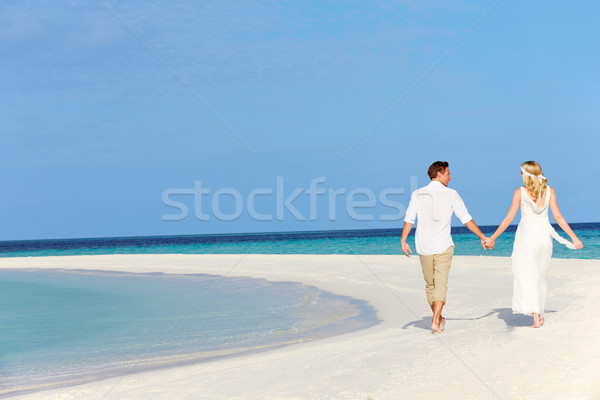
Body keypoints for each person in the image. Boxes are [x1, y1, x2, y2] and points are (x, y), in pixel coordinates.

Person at [483, 161, 583, 328]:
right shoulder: (550, 191)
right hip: (544, 237)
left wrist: (492, 238)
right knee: (539, 276)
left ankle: (536, 315)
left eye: (521, 172)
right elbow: (558, 217)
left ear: (526, 174)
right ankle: (539, 314)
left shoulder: (519, 192)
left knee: (527, 275)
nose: (520, 175)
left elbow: (508, 219)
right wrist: (574, 238)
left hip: (527, 237)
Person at [401, 161, 488, 334]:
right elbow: (466, 219)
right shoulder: (451, 194)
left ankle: (437, 318)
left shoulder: (417, 194)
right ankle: (436, 319)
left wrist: (403, 241)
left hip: (423, 245)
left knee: (430, 285)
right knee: (440, 283)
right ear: (439, 174)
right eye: (448, 173)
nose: (450, 176)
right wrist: (482, 236)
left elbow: (409, 218)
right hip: (442, 244)